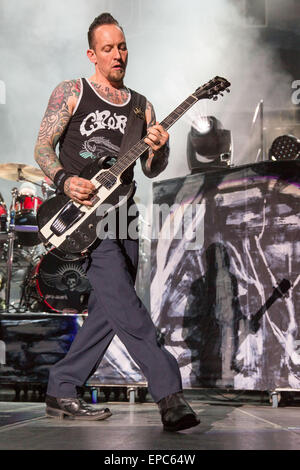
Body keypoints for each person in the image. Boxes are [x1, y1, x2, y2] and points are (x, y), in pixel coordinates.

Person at [34, 12, 200, 432]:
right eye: (108, 48)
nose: (118, 55)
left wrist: (160, 148)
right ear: (92, 54)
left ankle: (62, 385)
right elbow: (41, 147)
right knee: (126, 305)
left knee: (110, 309)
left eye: (122, 46)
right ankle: (169, 394)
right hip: (86, 219)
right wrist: (64, 179)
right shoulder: (71, 92)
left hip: (125, 216)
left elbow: (151, 169)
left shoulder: (142, 107)